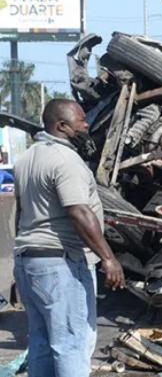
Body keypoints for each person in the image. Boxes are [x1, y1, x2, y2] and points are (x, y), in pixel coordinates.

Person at [13, 99, 125, 377]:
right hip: (60, 265)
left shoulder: (27, 157)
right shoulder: (66, 160)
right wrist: (108, 258)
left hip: (30, 261)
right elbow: (78, 211)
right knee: (71, 345)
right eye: (81, 121)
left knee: (41, 343)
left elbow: (21, 213)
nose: (86, 126)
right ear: (62, 126)